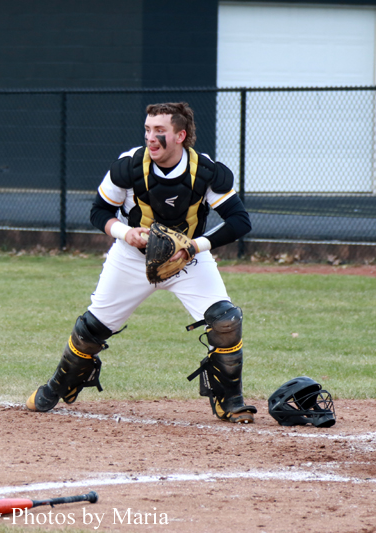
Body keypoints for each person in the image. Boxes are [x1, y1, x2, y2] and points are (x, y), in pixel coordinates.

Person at [26, 102, 257, 424]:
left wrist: (193, 247)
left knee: (226, 321)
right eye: (147, 129)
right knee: (91, 329)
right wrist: (125, 233)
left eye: (159, 131)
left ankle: (229, 400)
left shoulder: (205, 171)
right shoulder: (129, 166)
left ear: (180, 135)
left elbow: (240, 221)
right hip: (131, 258)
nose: (150, 137)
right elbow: (99, 211)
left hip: (187, 259)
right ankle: (59, 384)